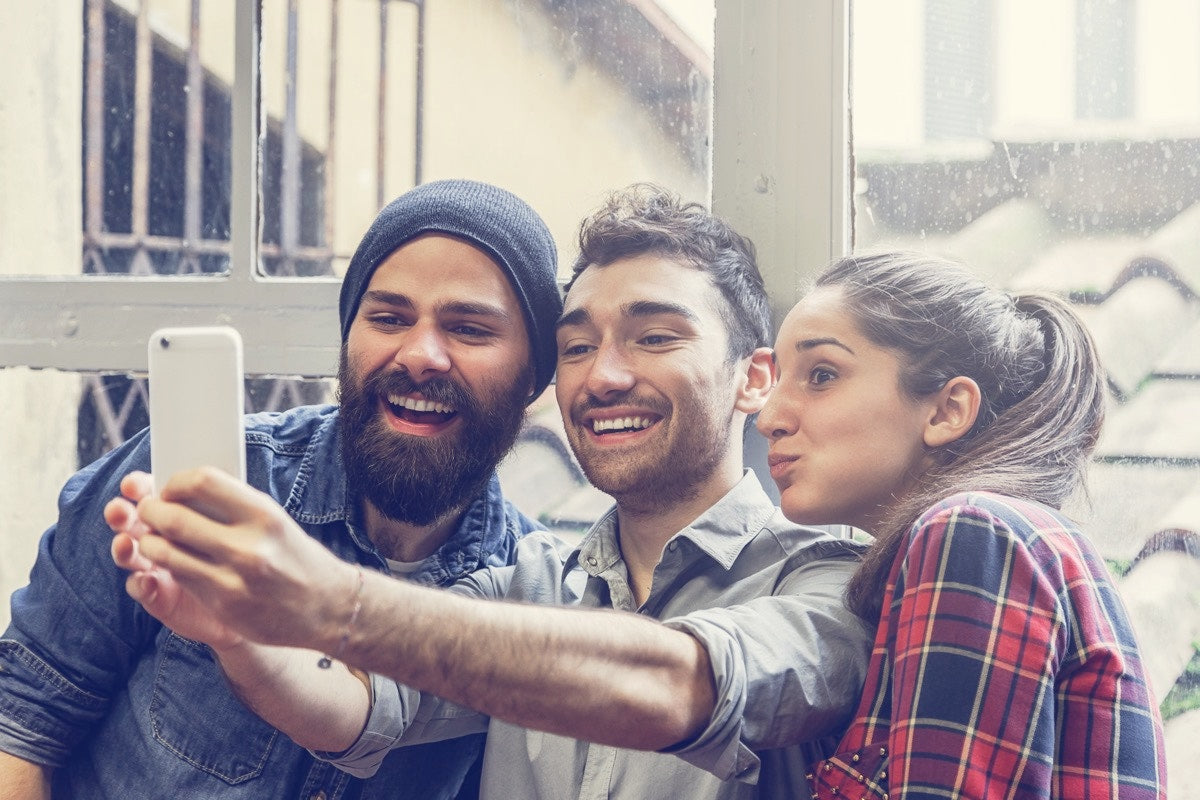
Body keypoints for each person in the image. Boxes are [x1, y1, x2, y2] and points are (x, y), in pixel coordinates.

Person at [108, 184, 872, 799]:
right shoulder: (528, 577)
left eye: (656, 336)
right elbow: (354, 710)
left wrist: (328, 599)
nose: (603, 376)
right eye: (577, 347)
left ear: (754, 377)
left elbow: (680, 684)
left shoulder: (837, 577)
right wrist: (237, 631)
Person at [0, 179, 564, 799]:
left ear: (533, 375)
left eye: (469, 329)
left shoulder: (530, 599)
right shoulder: (201, 481)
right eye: (388, 318)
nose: (421, 354)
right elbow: (23, 723)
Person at [756, 251, 1168, 799]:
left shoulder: (974, 532)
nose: (768, 418)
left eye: (821, 376)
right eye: (779, 379)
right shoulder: (988, 542)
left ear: (947, 411)